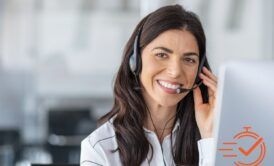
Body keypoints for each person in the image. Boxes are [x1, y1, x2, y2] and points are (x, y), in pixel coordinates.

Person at [81, 4, 217, 166]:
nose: (175, 72)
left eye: (189, 60)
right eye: (161, 55)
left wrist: (210, 137)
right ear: (135, 60)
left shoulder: (214, 136)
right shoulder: (100, 148)